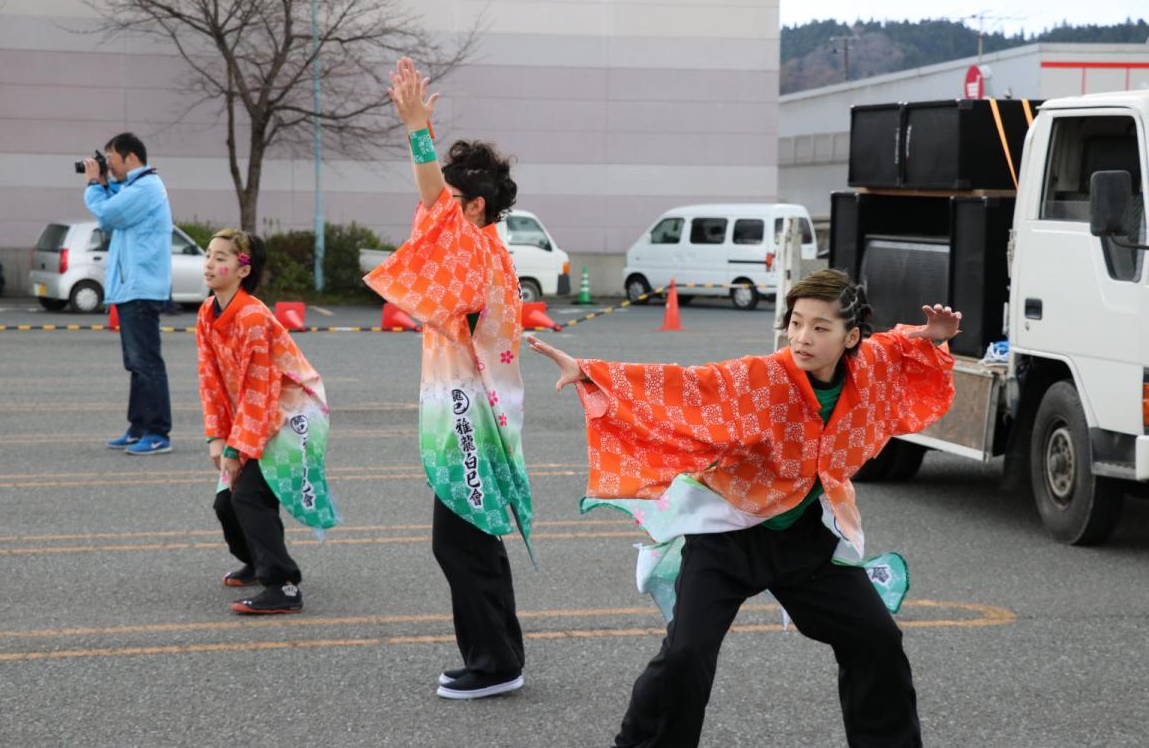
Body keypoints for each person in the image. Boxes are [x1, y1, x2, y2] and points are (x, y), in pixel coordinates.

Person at [525, 269, 961, 748]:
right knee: (686, 655)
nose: (802, 338)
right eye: (796, 323)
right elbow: (685, 386)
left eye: (820, 327)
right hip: (725, 535)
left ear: (850, 336)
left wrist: (931, 337)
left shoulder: (868, 366)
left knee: (877, 639)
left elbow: (895, 347)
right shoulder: (761, 377)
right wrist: (591, 371)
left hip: (805, 538)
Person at [364, 57, 530, 700]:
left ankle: (495, 663)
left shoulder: (480, 251)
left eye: (452, 202)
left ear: (477, 206)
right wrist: (418, 134)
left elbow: (435, 207)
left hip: (473, 419)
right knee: (472, 540)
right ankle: (499, 655)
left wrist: (417, 132)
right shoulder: (480, 249)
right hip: (470, 412)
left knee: (461, 542)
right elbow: (434, 206)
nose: (433, 210)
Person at [197, 228, 339, 615]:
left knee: (249, 494)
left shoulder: (253, 317)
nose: (210, 264)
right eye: (209, 255)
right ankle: (257, 563)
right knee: (226, 503)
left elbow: (259, 390)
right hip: (256, 415)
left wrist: (235, 447)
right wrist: (216, 436)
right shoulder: (207, 313)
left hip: (293, 415)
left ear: (243, 270)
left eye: (221, 258)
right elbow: (210, 381)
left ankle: (284, 585)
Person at [82, 133, 174, 456]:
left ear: (131, 157)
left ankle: (158, 432)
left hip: (142, 288)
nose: (109, 166)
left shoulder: (148, 187)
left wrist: (94, 185)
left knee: (147, 362)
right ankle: (138, 427)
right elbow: (115, 202)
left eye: (112, 160)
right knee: (135, 363)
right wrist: (106, 183)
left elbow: (107, 215)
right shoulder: (135, 187)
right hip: (130, 288)